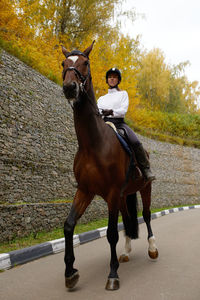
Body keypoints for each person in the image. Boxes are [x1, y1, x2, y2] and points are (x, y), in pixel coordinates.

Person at [97, 67, 155, 182]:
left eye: (114, 77)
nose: (112, 79)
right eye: (110, 77)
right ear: (107, 80)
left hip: (118, 124)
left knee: (135, 141)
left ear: (118, 80)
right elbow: (97, 110)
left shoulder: (123, 94)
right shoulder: (101, 98)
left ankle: (145, 169)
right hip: (103, 124)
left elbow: (123, 111)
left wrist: (111, 111)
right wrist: (102, 112)